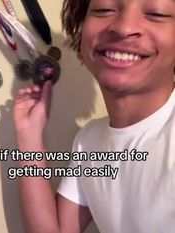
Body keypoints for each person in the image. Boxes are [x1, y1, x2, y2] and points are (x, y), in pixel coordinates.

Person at [14, 0, 175, 232]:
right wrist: (28, 139)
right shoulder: (88, 140)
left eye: (156, 14)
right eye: (104, 9)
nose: (124, 27)